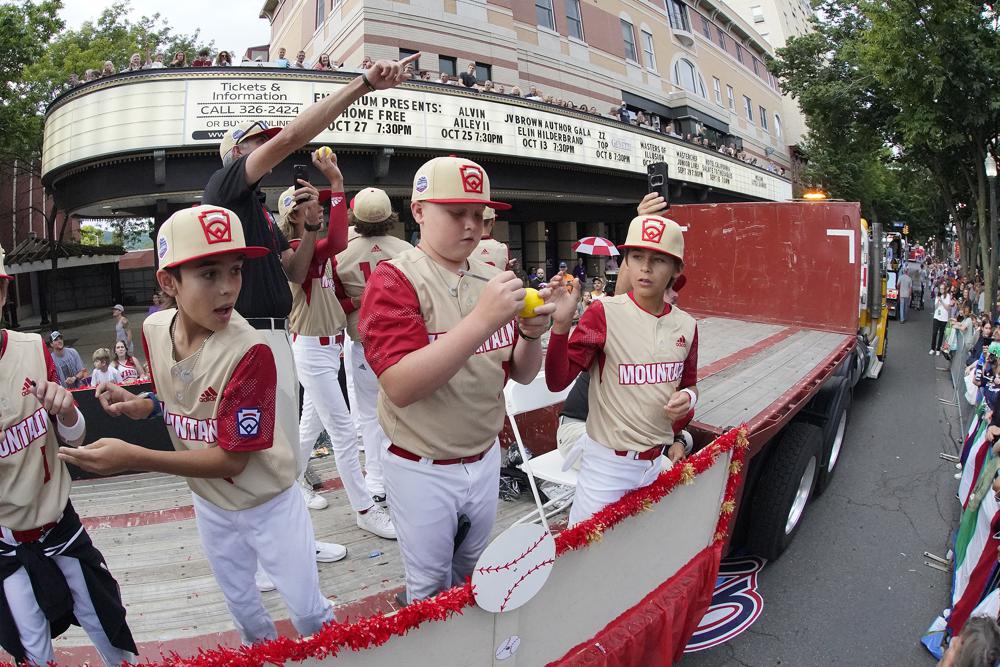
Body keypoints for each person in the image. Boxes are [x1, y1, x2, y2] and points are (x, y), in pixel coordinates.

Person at [64, 205, 336, 646]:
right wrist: (145, 405)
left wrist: (132, 456)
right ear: (168, 282)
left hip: (267, 501)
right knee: (245, 614)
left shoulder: (250, 349)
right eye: (209, 274)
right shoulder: (154, 329)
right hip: (211, 503)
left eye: (235, 270)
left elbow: (233, 457)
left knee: (308, 612)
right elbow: (184, 400)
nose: (229, 288)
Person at [199, 55, 415, 560]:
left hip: (284, 336)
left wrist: (309, 226)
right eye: (258, 142)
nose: (270, 148)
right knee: (309, 436)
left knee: (290, 440)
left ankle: (288, 535)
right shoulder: (227, 186)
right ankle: (356, 512)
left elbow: (297, 272)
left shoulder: (260, 218)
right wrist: (361, 84)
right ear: (235, 153)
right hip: (262, 334)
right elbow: (292, 138)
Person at [358, 156, 555, 603]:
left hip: (483, 455)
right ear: (419, 210)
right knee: (428, 585)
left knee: (472, 573)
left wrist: (530, 334)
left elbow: (522, 373)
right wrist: (483, 321)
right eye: (456, 212)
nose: (471, 225)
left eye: (478, 214)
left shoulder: (492, 277)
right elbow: (401, 387)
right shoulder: (396, 277)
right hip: (420, 463)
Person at [0, 248, 137, 666]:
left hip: (59, 523)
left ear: (3, 292)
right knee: (33, 652)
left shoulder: (30, 349)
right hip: (5, 542)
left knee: (110, 632)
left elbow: (72, 435)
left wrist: (68, 412)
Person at [544, 214, 698, 526]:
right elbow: (558, 380)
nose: (645, 267)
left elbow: (690, 387)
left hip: (655, 463)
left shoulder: (687, 325)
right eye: (636, 256)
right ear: (625, 261)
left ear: (677, 269)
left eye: (658, 259)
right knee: (589, 556)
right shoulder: (603, 313)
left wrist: (688, 400)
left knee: (640, 554)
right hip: (606, 467)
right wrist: (560, 326)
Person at [276, 160, 396, 537]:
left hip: (330, 347)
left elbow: (336, 269)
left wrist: (337, 185)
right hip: (312, 349)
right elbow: (331, 247)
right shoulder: (296, 249)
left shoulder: (313, 247)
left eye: (320, 204)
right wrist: (336, 187)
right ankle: (364, 508)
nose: (320, 209)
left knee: (309, 427)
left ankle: (291, 484)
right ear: (294, 215)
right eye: (310, 206)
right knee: (344, 434)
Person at [335, 187, 413, 507]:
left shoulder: (341, 254)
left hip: (365, 340)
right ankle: (404, 476)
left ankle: (377, 481)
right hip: (406, 340)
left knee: (369, 417)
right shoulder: (407, 250)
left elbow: (336, 305)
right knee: (407, 411)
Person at [933, 286, 953, 355]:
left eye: (942, 288)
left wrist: (942, 301)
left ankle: (938, 349)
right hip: (936, 316)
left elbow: (947, 308)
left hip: (944, 318)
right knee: (934, 333)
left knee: (941, 334)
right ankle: (933, 348)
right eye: (940, 288)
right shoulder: (938, 296)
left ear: (944, 289)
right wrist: (938, 301)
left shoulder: (947, 296)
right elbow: (935, 307)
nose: (941, 290)